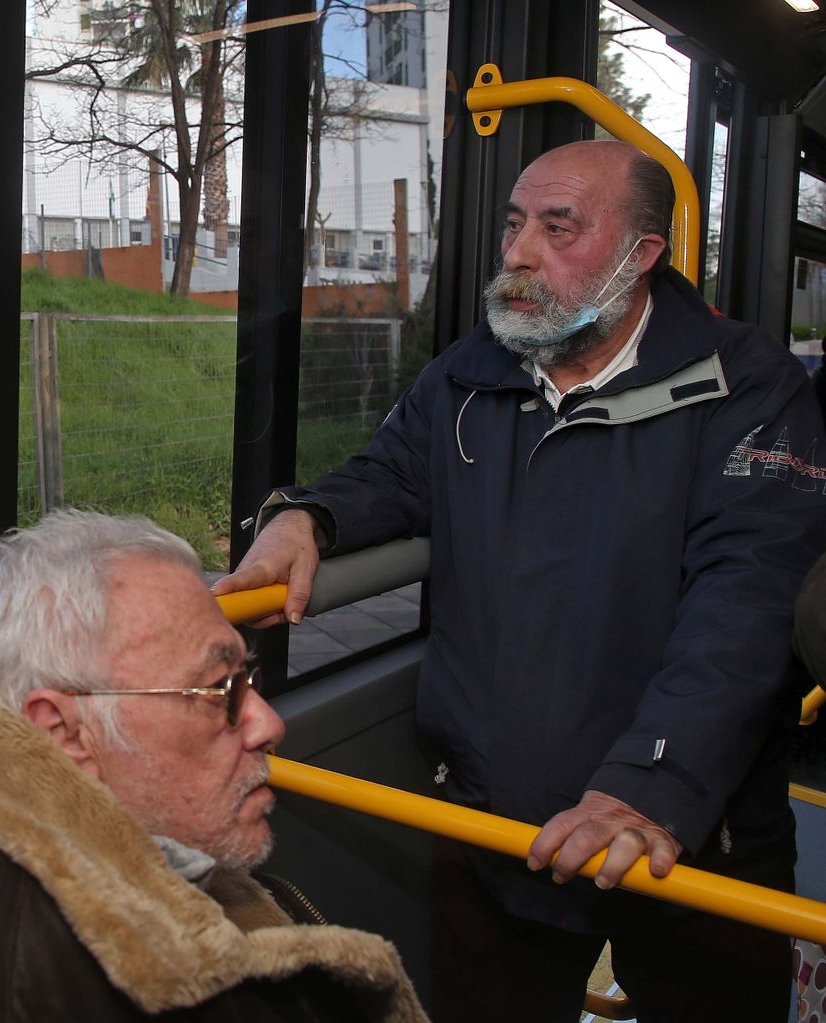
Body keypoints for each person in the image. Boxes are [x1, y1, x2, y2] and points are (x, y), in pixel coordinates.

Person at [215, 139, 826, 1021]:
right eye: (513, 224)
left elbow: (748, 605)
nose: (518, 252)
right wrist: (305, 516)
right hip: (496, 825)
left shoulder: (747, 387)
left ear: (640, 254)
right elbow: (390, 473)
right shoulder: (471, 372)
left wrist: (651, 788)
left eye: (556, 226)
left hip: (691, 834)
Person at [0, 510, 427, 1022]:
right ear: (63, 731)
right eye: (221, 690)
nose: (268, 722)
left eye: (246, 674)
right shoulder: (26, 980)